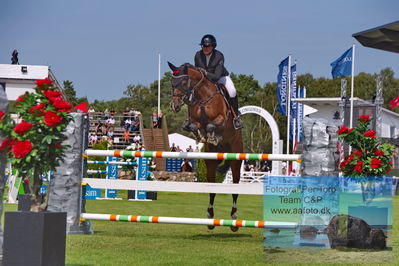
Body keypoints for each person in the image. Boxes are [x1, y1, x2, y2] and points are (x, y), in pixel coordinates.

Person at [192, 34, 243, 130]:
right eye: (203, 46)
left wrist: (205, 73)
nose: (205, 48)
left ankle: (236, 117)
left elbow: (216, 77)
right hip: (205, 80)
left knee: (232, 92)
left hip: (220, 77)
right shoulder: (198, 55)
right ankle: (192, 118)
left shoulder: (219, 56)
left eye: (207, 46)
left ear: (213, 46)